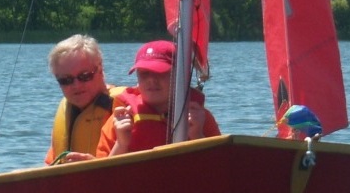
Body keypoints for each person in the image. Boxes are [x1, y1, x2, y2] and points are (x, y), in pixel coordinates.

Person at [96, 40, 220, 157]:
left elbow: (221, 170)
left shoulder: (200, 118)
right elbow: (102, 177)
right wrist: (121, 144)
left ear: (179, 75)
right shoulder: (119, 121)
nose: (151, 80)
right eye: (144, 73)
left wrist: (197, 135)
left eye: (160, 72)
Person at [45, 34, 123, 164]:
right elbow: (50, 167)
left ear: (100, 69)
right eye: (66, 80)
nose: (76, 85)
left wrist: (95, 164)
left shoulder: (123, 105)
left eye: (84, 76)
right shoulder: (65, 111)